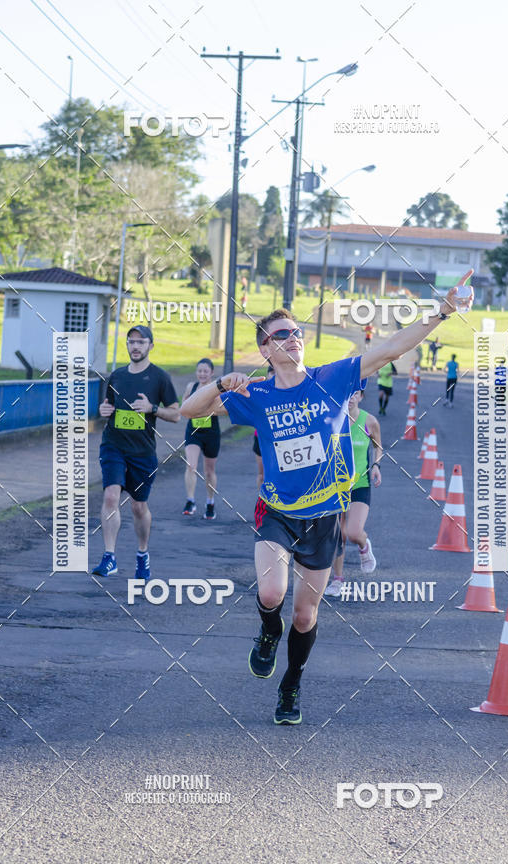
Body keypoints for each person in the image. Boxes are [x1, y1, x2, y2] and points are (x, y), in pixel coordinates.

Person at [179, 270, 472, 726]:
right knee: (272, 592)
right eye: (282, 335)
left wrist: (442, 312)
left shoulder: (331, 378)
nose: (293, 338)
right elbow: (188, 410)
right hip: (276, 512)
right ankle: (265, 633)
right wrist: (220, 384)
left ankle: (291, 683)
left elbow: (392, 348)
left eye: (296, 332)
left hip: (323, 518)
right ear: (265, 349)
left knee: (304, 615)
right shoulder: (253, 394)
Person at [92, 325, 180, 579]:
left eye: (141, 342)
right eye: (131, 342)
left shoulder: (160, 378)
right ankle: (109, 557)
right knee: (110, 496)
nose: (135, 346)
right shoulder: (117, 376)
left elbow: (176, 413)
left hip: (142, 452)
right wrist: (104, 410)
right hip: (113, 445)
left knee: (138, 507)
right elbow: (107, 406)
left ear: (151, 345)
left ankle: (142, 553)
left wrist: (152, 408)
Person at [325, 390, 382, 597]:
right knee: (337, 535)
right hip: (335, 487)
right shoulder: (331, 420)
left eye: (355, 394)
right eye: (347, 394)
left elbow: (378, 447)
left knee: (353, 532)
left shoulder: (370, 421)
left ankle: (364, 544)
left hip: (360, 484)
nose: (350, 398)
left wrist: (376, 465)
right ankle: (338, 580)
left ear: (361, 397)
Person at [182, 358, 221, 519]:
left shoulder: (216, 388)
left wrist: (203, 410)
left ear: (211, 373)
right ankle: (190, 501)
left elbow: (221, 408)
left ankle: (210, 502)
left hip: (211, 432)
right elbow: (184, 406)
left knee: (209, 471)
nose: (202, 374)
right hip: (193, 431)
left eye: (205, 371)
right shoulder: (191, 387)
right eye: (200, 371)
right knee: (191, 465)